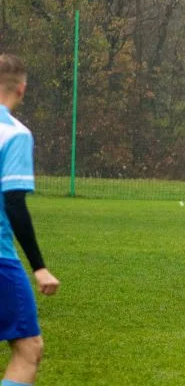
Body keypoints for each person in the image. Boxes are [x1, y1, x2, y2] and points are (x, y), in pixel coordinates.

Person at [0, 53, 60, 386]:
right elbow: (14, 203)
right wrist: (38, 266)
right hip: (1, 259)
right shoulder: (14, 134)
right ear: (21, 89)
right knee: (28, 349)